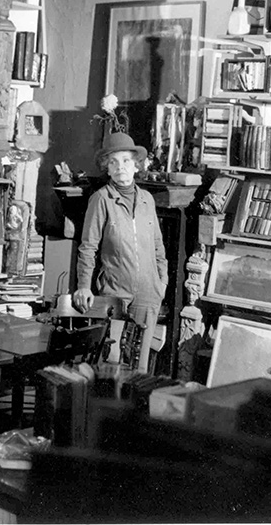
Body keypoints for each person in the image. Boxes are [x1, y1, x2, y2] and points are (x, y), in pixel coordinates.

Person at [72, 131, 168, 372]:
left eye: (126, 161)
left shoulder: (147, 200)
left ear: (136, 165)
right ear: (107, 168)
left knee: (141, 366)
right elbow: (88, 246)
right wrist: (83, 285)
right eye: (113, 162)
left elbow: (158, 246)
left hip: (149, 292)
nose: (120, 167)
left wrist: (162, 282)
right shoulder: (101, 199)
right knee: (111, 361)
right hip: (115, 291)